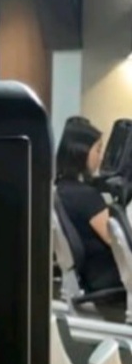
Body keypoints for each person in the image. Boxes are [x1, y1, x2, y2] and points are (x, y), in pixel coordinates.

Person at [55, 116, 124, 296]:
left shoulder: (62, 189)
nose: (100, 158)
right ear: (82, 152)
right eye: (98, 150)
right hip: (107, 275)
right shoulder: (86, 196)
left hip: (91, 275)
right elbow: (117, 242)